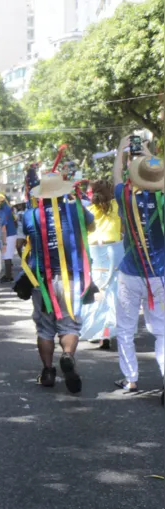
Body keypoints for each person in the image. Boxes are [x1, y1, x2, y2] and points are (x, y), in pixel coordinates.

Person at [23, 173, 95, 393]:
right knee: (69, 325)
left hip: (41, 280)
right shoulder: (77, 210)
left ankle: (47, 372)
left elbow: (25, 239)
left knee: (45, 328)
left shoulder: (30, 215)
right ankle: (67, 356)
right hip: (70, 279)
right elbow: (90, 228)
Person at [112, 136, 164, 395]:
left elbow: (117, 178)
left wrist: (121, 152)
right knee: (164, 331)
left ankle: (131, 379)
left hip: (130, 275)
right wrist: (148, 153)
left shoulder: (124, 196)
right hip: (160, 275)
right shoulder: (162, 199)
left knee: (125, 329)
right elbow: (160, 170)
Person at [80, 179, 123, 350]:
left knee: (96, 290)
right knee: (113, 292)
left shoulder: (87, 209)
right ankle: (108, 331)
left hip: (94, 252)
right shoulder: (118, 206)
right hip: (115, 249)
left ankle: (96, 331)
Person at [0, 196, 18, 283]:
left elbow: (4, 223)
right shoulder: (6, 207)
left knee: (7, 255)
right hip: (10, 233)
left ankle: (8, 276)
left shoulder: (5, 209)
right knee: (6, 255)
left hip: (9, 234)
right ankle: (8, 274)